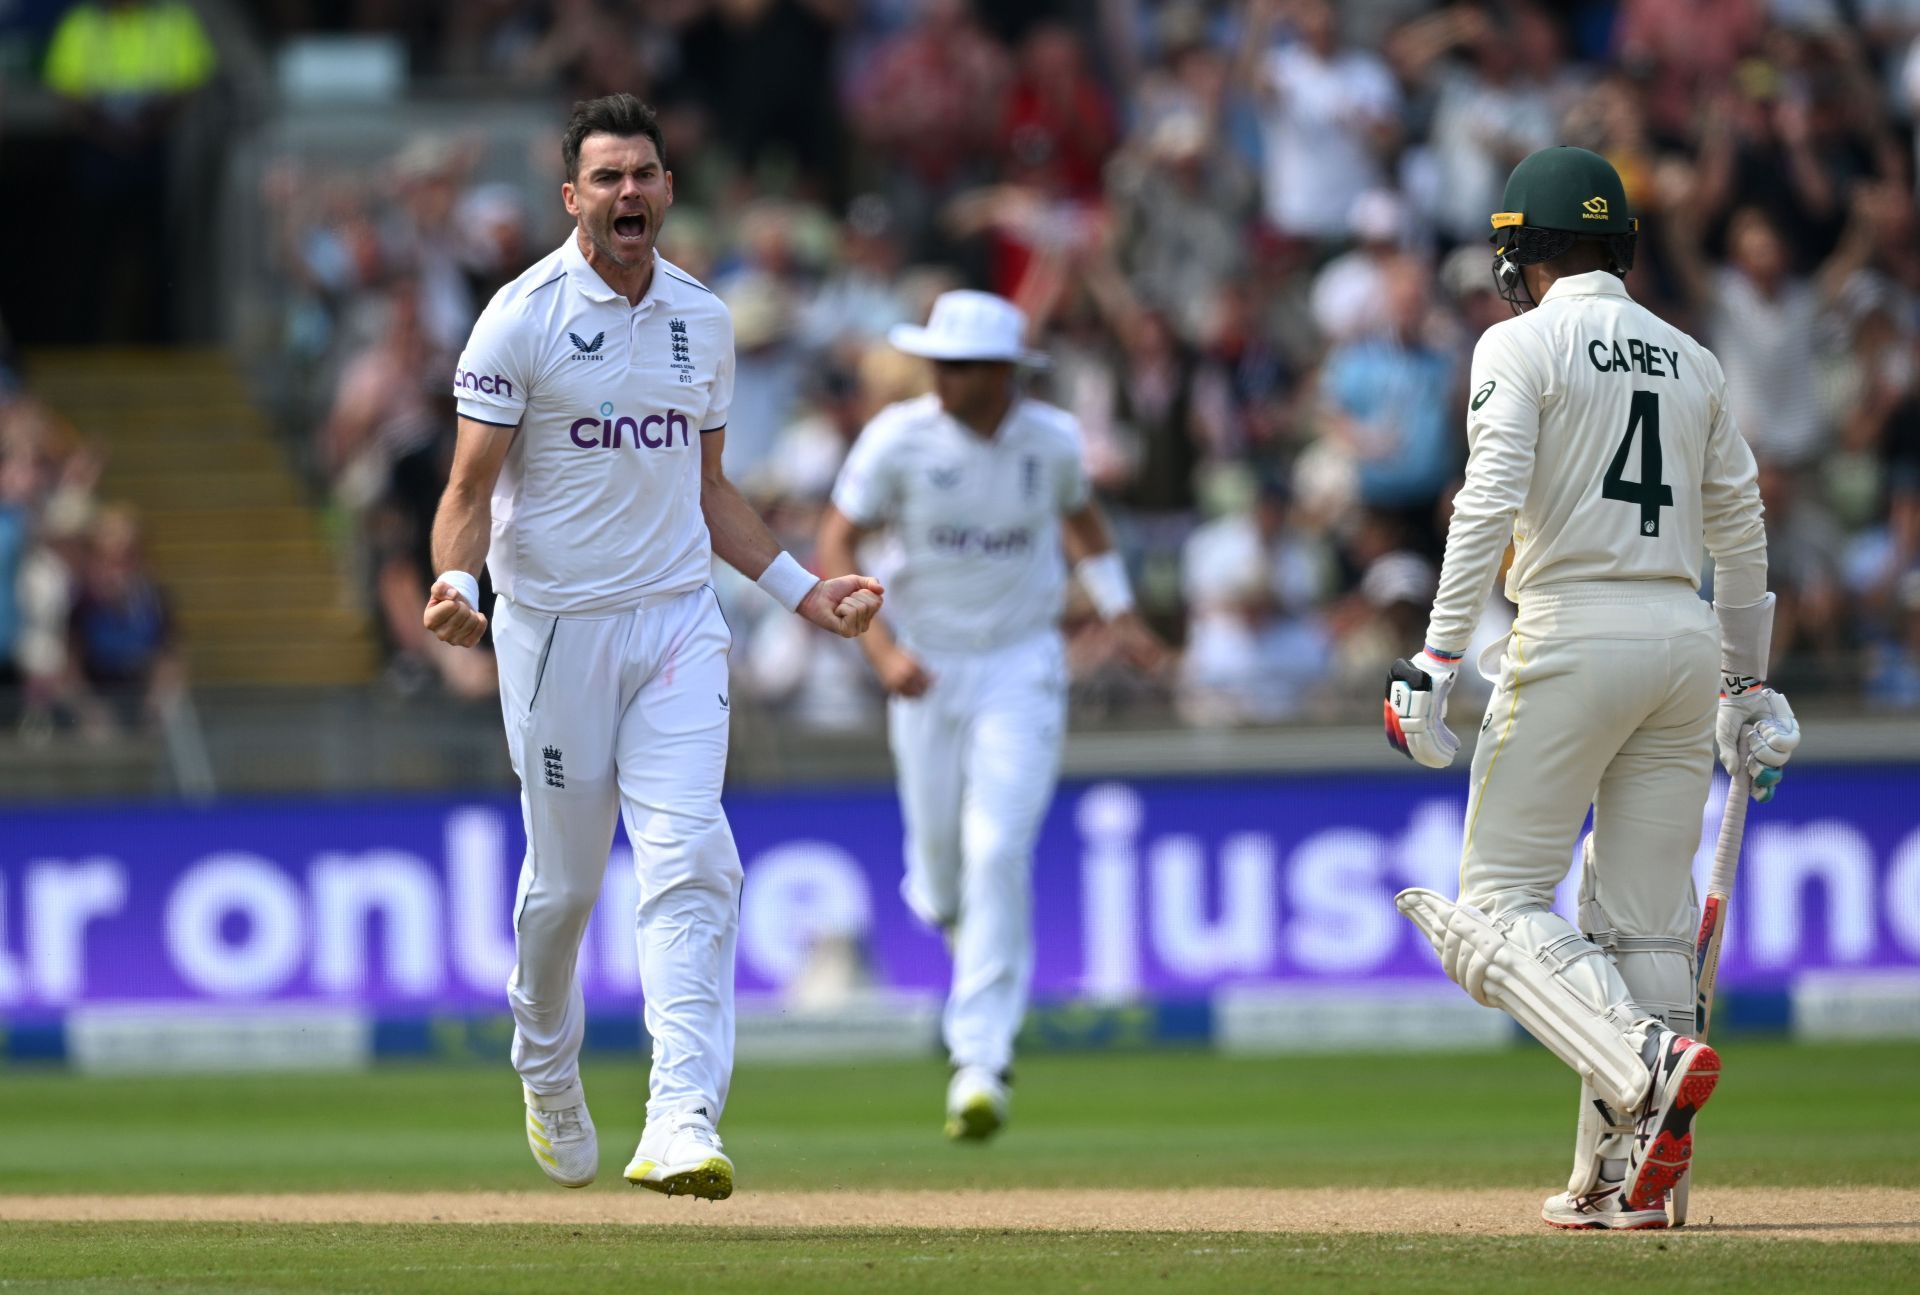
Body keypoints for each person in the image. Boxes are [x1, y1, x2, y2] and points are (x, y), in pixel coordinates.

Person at [423, 94, 884, 1201]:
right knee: (568, 892)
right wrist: (454, 583)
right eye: (608, 177)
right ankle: (545, 1062)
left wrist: (804, 591)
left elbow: (709, 487)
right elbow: (467, 489)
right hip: (553, 631)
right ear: (573, 196)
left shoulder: (704, 318)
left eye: (646, 174)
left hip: (678, 620)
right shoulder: (520, 317)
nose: (630, 193)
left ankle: (679, 1116)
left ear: (668, 189)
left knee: (693, 858)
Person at [1381, 148, 1801, 1230]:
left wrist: (1433, 658)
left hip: (1571, 629)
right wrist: (1747, 679)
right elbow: (1742, 531)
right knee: (1647, 930)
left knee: (1496, 907)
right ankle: (1624, 1183)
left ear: (1528, 249)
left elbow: (1488, 498)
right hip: (1681, 636)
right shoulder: (1693, 357)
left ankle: (1644, 1058)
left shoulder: (1519, 340)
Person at [815, 290, 1165, 1141]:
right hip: (928, 668)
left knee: (997, 849)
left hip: (1021, 663)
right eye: (939, 361)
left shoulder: (1049, 440)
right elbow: (836, 544)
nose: (945, 377)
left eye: (963, 365)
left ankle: (980, 1060)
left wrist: (1120, 615)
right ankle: (951, 930)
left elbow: (1084, 524)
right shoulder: (898, 437)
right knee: (941, 882)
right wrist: (882, 650)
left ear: (1005, 373)